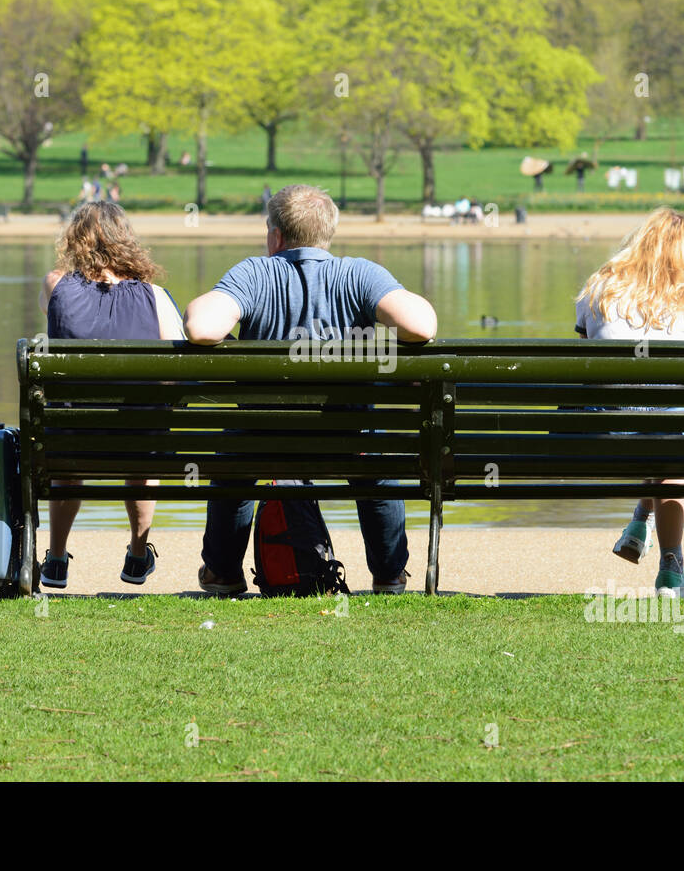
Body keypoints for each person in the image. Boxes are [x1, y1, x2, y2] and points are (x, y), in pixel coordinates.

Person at [184, 185, 438, 595]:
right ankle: (390, 574)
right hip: (348, 441)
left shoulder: (252, 274)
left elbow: (200, 329)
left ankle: (223, 572)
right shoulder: (360, 274)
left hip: (260, 442)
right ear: (327, 233)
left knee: (233, 454)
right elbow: (421, 326)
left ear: (276, 236)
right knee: (377, 456)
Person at [38, 201, 186, 590]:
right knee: (144, 442)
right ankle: (138, 554)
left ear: (75, 241)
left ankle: (55, 559)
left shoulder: (55, 285)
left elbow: (53, 317)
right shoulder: (155, 295)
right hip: (137, 443)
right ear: (128, 242)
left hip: (70, 443)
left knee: (71, 442)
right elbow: (179, 364)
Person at [573, 206, 684, 598]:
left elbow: (584, 364)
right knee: (672, 424)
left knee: (652, 418)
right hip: (668, 434)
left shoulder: (598, 290)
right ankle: (671, 567)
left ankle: (641, 521)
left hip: (601, 433)